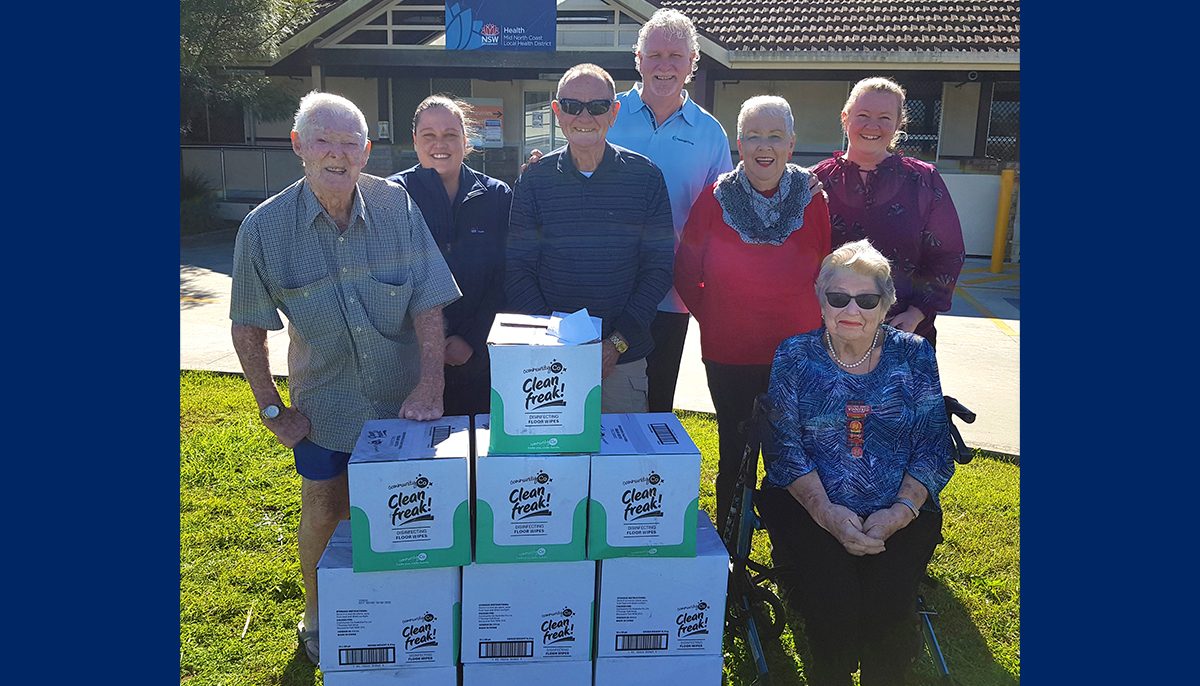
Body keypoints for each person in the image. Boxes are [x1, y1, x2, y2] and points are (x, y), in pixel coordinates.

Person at [229, 91, 461, 666]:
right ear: (298, 147)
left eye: (350, 143)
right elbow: (247, 328)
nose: (338, 154)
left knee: (406, 511)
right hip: (324, 404)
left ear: (367, 150)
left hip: (400, 406)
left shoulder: (397, 208)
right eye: (324, 141)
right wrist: (271, 408)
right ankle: (318, 610)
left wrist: (430, 384)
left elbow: (429, 304)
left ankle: (406, 610)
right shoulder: (262, 231)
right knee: (326, 507)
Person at [756, 239, 955, 686]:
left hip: (901, 508)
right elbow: (785, 449)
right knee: (833, 597)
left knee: (888, 599)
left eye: (866, 299)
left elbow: (932, 446)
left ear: (885, 305)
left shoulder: (914, 355)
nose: (852, 309)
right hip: (809, 504)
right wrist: (826, 513)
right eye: (838, 297)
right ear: (821, 301)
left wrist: (898, 514)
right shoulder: (794, 355)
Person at [674, 95, 831, 525]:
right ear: (739, 145)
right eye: (754, 136)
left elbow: (823, 265)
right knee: (735, 451)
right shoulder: (714, 199)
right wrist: (719, 316)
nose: (765, 146)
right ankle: (730, 536)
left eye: (775, 136)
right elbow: (687, 272)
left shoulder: (812, 198)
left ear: (791, 144)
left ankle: (788, 543)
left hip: (797, 355)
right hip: (730, 353)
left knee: (791, 457)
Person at [505, 63, 674, 413]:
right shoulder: (534, 182)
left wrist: (615, 343)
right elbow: (518, 269)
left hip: (623, 359)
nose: (584, 116)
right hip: (549, 362)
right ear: (557, 112)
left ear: (613, 113)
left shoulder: (646, 177)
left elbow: (658, 268)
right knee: (555, 465)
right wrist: (558, 343)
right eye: (571, 105)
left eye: (597, 106)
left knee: (622, 467)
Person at [605, 7, 734, 412]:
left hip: (671, 294)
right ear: (638, 60)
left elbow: (725, 213)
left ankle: (646, 476)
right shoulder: (606, 115)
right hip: (604, 286)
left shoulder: (710, 133)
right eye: (655, 55)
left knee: (657, 398)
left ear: (692, 63)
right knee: (592, 401)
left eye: (675, 56)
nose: (664, 66)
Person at [811, 77, 965, 347]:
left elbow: (948, 255)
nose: (873, 126)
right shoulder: (815, 182)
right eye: (863, 115)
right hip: (827, 335)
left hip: (903, 332)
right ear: (845, 118)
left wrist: (916, 314)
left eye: (884, 117)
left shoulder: (923, 180)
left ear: (898, 124)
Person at [388, 95, 512, 417]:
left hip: (479, 360)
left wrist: (472, 338)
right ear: (414, 140)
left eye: (450, 134)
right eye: (428, 134)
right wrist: (427, 347)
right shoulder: (390, 197)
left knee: (480, 456)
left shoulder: (496, 196)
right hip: (410, 364)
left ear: (465, 140)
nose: (439, 143)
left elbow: (505, 276)